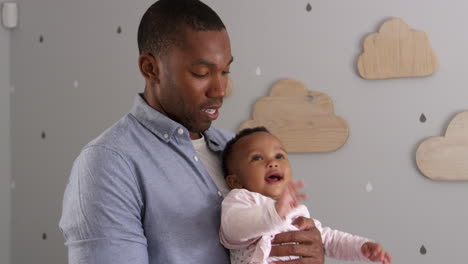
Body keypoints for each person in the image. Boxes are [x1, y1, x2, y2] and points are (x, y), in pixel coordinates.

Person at [59, 0, 325, 263]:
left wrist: (310, 250)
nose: (220, 90)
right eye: (201, 72)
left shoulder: (234, 147)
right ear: (151, 69)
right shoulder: (107, 164)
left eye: (225, 71)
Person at [220, 127, 392, 264]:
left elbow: (327, 239)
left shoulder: (295, 210)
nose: (272, 163)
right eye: (257, 158)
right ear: (235, 181)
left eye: (279, 156)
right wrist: (274, 213)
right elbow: (233, 228)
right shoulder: (242, 199)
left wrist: (360, 247)